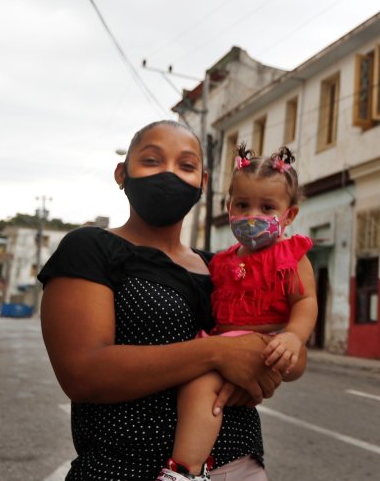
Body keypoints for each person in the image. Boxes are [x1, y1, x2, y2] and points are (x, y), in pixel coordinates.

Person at [39, 120, 280, 480]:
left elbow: (266, 352)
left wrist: (263, 366)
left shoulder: (223, 266)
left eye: (186, 165)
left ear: (203, 183)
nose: (169, 174)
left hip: (240, 467)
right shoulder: (91, 248)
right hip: (125, 469)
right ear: (122, 174)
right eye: (152, 161)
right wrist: (218, 353)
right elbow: (82, 374)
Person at [161, 144, 317, 481]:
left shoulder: (290, 255)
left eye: (267, 207)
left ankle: (183, 471)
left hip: (272, 343)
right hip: (227, 342)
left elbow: (305, 302)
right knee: (198, 389)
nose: (252, 215)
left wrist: (293, 338)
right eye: (242, 205)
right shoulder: (222, 261)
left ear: (289, 215)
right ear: (228, 206)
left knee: (201, 388)